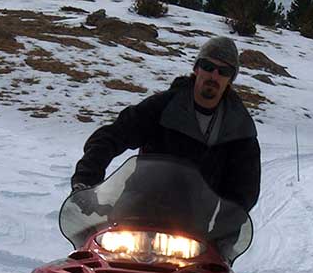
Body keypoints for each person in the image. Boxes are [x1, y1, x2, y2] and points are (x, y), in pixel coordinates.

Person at [71, 36, 260, 213]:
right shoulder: (163, 107)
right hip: (135, 210)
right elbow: (112, 136)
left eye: (224, 71)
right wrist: (86, 180)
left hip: (194, 225)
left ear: (231, 79)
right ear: (196, 69)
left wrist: (227, 225)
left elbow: (245, 188)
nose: (214, 75)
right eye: (208, 66)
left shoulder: (239, 128)